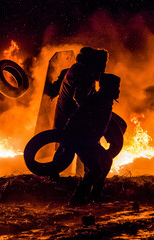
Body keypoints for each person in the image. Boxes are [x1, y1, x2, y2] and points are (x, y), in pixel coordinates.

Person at [62, 73, 120, 205]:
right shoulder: (96, 101)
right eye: (116, 87)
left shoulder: (104, 101)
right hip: (80, 138)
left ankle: (96, 195)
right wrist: (68, 138)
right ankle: (77, 199)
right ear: (108, 87)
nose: (118, 90)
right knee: (95, 169)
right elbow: (77, 118)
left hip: (89, 139)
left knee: (106, 160)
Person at [51, 47, 108, 178]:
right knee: (76, 146)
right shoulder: (85, 74)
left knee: (68, 147)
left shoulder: (77, 68)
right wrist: (93, 112)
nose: (103, 68)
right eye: (102, 64)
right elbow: (80, 98)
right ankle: (61, 177)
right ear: (95, 62)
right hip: (72, 117)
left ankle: (68, 176)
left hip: (67, 114)